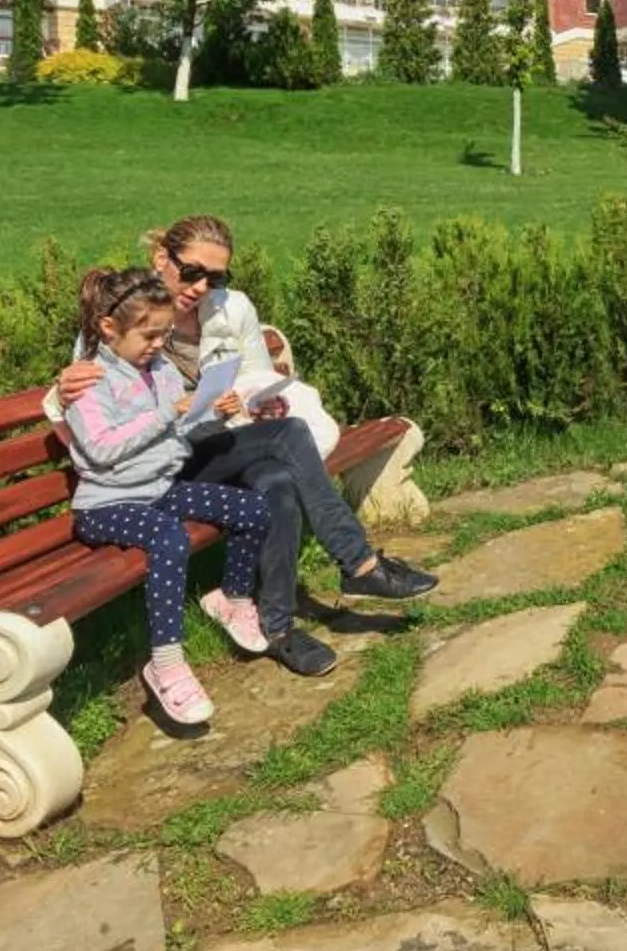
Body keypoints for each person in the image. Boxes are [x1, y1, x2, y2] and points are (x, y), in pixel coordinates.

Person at [54, 214, 435, 680]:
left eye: (215, 277)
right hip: (160, 464)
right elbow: (83, 395)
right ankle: (358, 563)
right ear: (161, 260)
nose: (200, 287)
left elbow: (259, 377)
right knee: (287, 446)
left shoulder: (232, 310)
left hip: (214, 438)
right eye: (191, 271)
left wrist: (260, 405)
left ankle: (278, 628)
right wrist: (63, 381)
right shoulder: (128, 313)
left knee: (277, 474)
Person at [60, 265, 276, 729]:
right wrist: (166, 413)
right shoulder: (90, 382)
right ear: (109, 328)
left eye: (163, 333)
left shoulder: (159, 370)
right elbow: (100, 449)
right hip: (107, 505)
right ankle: (166, 661)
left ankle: (232, 598)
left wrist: (215, 414)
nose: (158, 344)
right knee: (169, 538)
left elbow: (183, 426)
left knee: (251, 507)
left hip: (159, 489)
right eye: (149, 335)